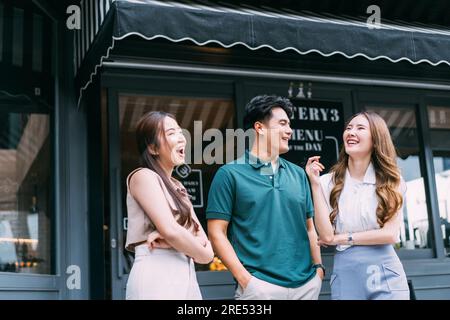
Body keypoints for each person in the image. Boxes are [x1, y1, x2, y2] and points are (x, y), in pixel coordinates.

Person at [207, 95, 324, 300]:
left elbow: (309, 228)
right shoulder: (230, 174)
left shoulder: (298, 174)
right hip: (259, 288)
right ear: (259, 128)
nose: (289, 130)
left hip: (306, 286)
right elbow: (217, 233)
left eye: (290, 124)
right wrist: (246, 281)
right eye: (282, 123)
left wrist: (319, 269)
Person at [305, 111, 410, 300]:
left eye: (360, 128)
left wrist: (340, 238)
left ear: (376, 139)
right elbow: (326, 235)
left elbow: (389, 234)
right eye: (349, 128)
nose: (351, 132)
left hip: (385, 271)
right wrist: (313, 184)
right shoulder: (325, 182)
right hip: (346, 273)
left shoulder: (392, 181)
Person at [125, 111, 214, 300]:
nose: (181, 138)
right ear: (153, 148)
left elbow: (207, 254)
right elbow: (171, 230)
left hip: (186, 273)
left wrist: (168, 237)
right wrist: (173, 235)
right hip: (156, 272)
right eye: (171, 133)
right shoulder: (143, 176)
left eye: (181, 132)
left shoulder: (178, 186)